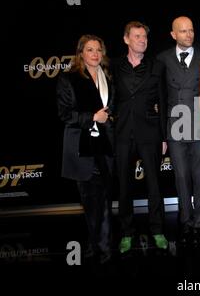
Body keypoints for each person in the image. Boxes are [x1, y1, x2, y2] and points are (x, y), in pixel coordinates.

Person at [56, 34, 114, 264]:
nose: (95, 54)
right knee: (91, 203)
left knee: (106, 201)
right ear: (81, 53)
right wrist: (92, 117)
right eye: (90, 50)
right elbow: (65, 114)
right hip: (82, 148)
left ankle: (105, 247)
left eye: (98, 50)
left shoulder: (107, 77)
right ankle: (95, 246)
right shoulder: (68, 79)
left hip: (106, 147)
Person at [111, 21, 168, 252]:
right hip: (122, 132)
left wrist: (164, 136)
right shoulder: (114, 66)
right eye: (137, 36)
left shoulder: (157, 66)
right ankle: (126, 232)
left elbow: (163, 102)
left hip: (150, 131)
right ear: (126, 39)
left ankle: (158, 230)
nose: (142, 40)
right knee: (124, 186)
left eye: (144, 36)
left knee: (154, 185)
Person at [156, 16, 200, 245]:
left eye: (192, 30)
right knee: (181, 177)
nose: (189, 35)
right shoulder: (162, 59)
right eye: (184, 31)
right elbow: (158, 95)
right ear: (173, 34)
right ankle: (185, 220)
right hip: (174, 126)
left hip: (198, 125)